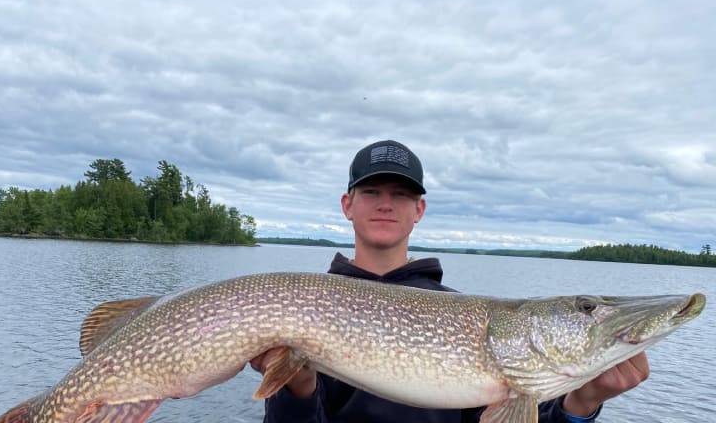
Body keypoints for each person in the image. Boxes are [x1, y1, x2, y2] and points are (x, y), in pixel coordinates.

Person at [251, 140, 649, 422]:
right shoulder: (307, 304)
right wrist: (296, 388)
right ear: (347, 205)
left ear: (419, 209)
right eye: (371, 191)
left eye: (401, 194)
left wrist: (581, 404)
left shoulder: (463, 314)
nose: (386, 203)